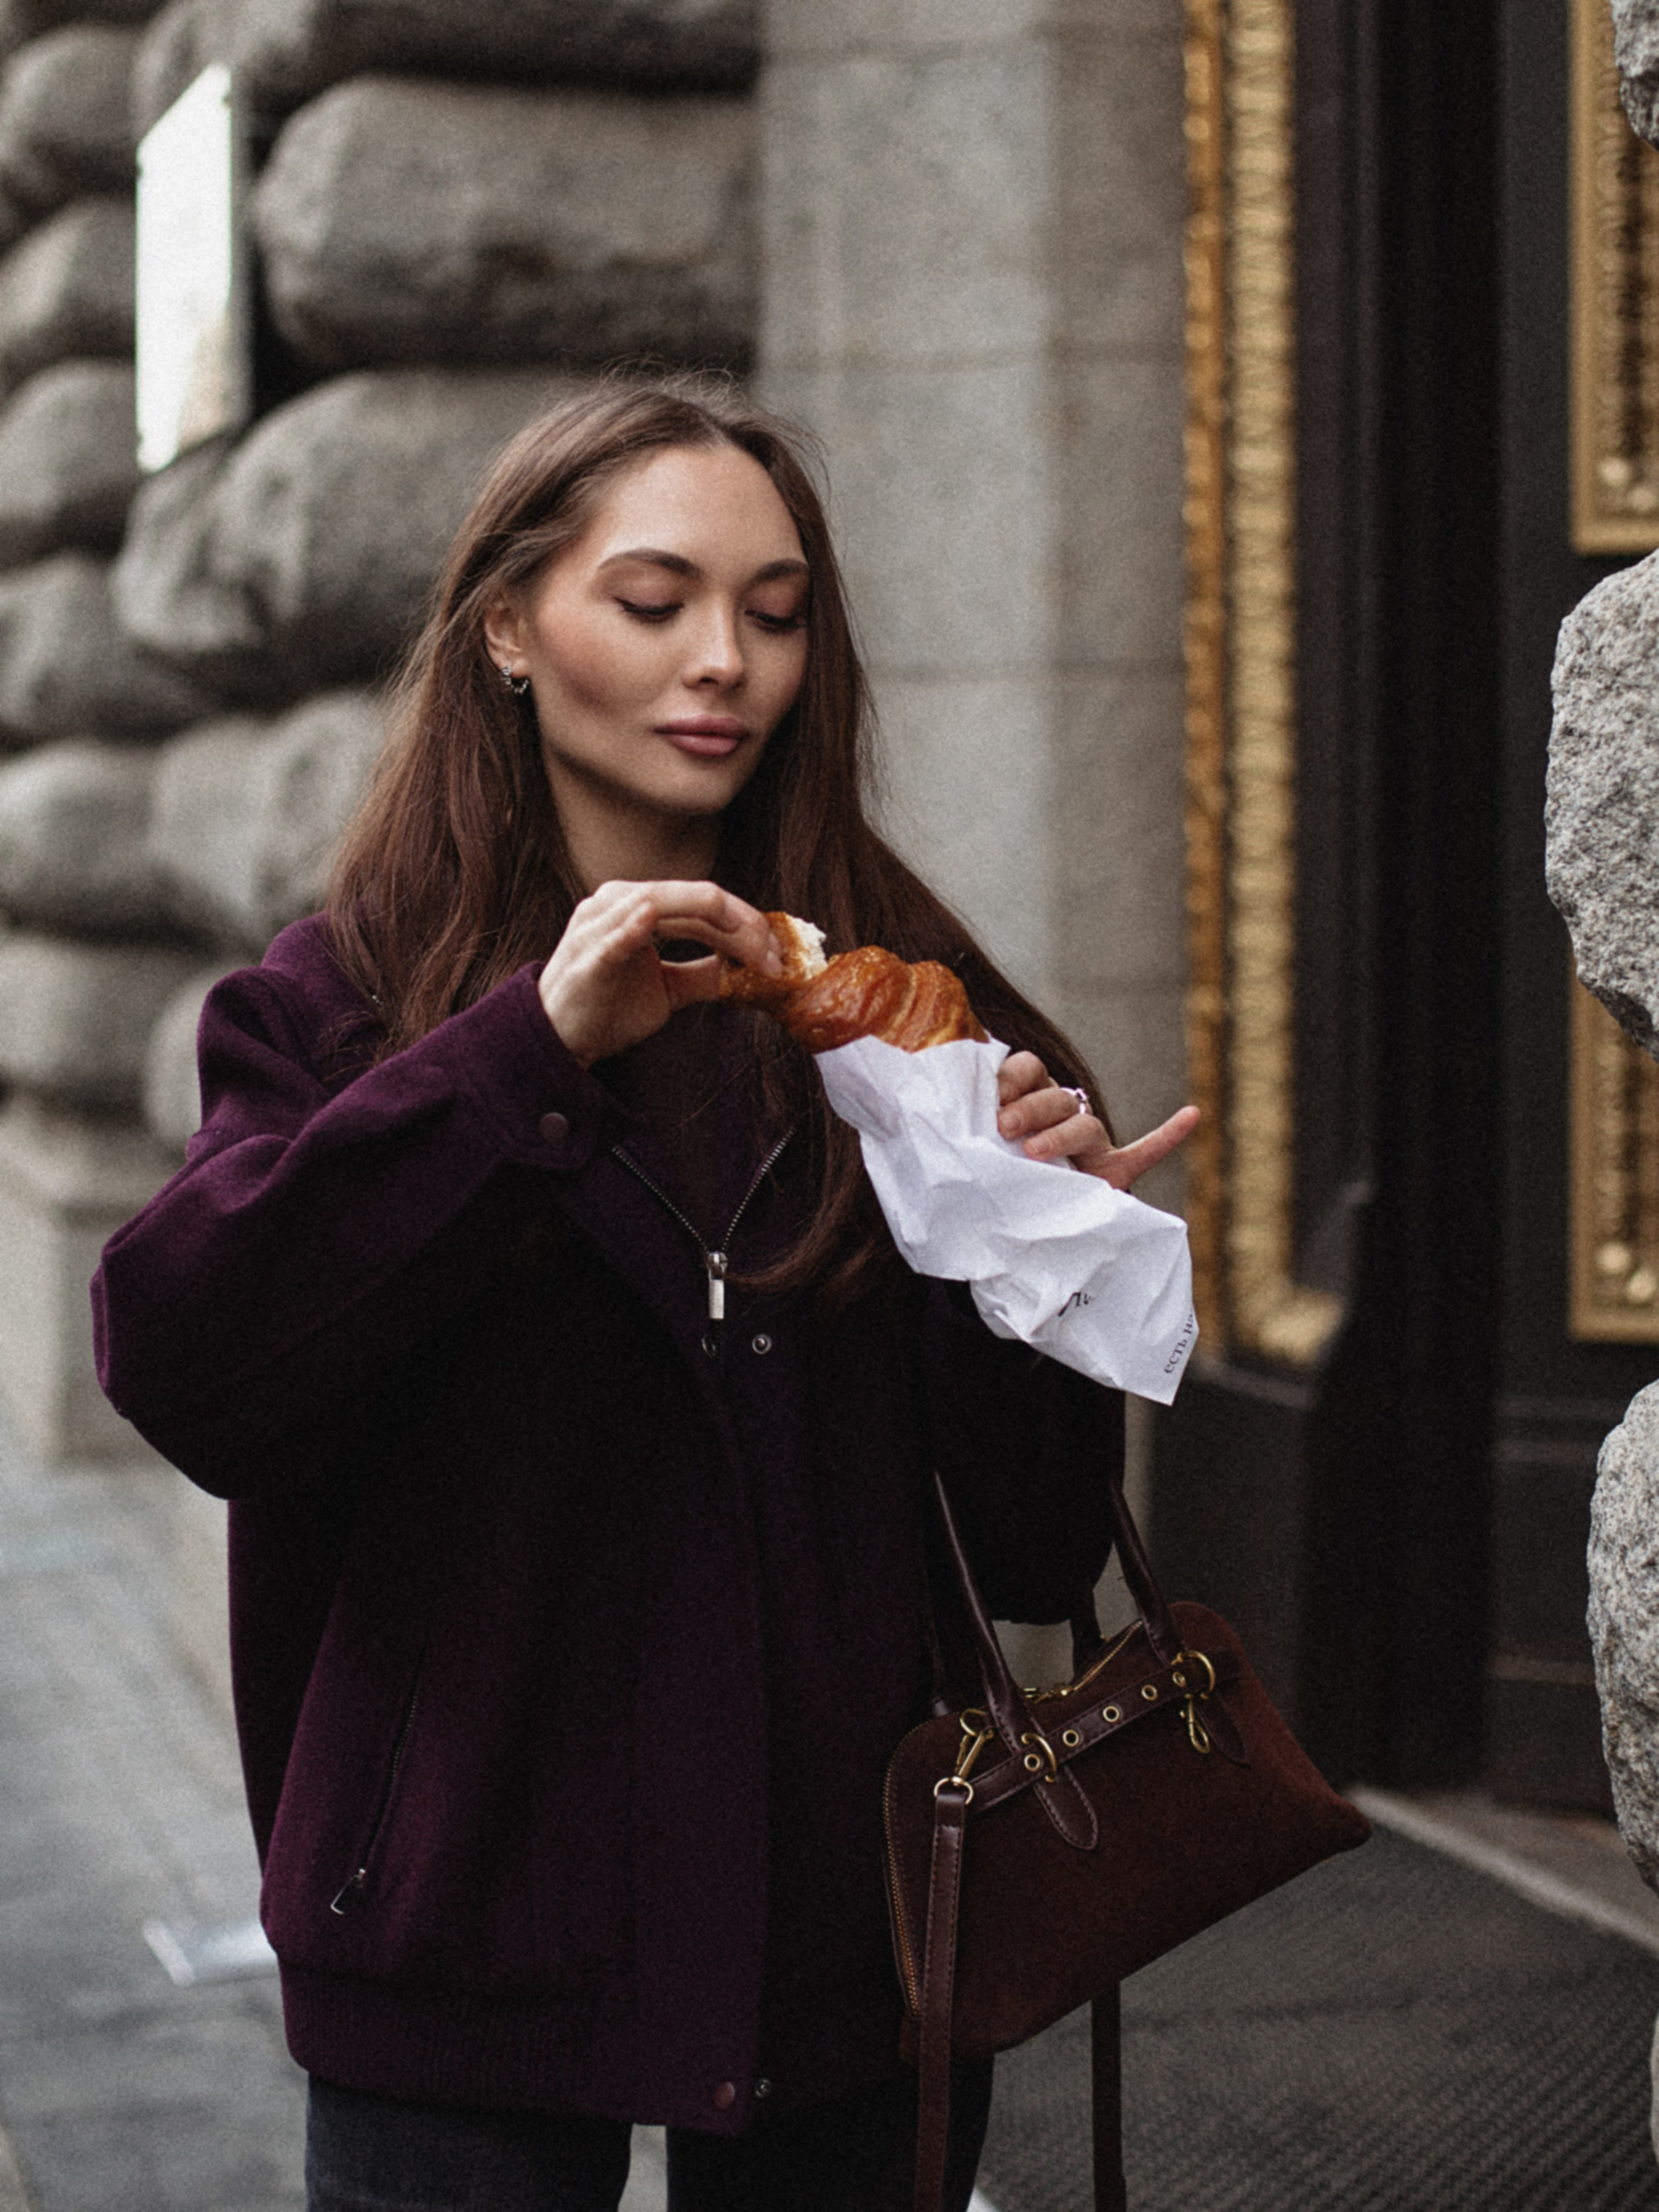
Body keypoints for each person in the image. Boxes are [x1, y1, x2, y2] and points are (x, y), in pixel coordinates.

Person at [92, 379, 1196, 2212]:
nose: (726, 665)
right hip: (462, 1930)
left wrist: (1031, 1251)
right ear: (510, 629)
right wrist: (525, 1057)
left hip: (851, 1942)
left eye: (776, 613)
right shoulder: (343, 1006)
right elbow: (189, 1360)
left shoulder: (900, 1013)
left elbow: (1030, 1548)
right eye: (656, 600)